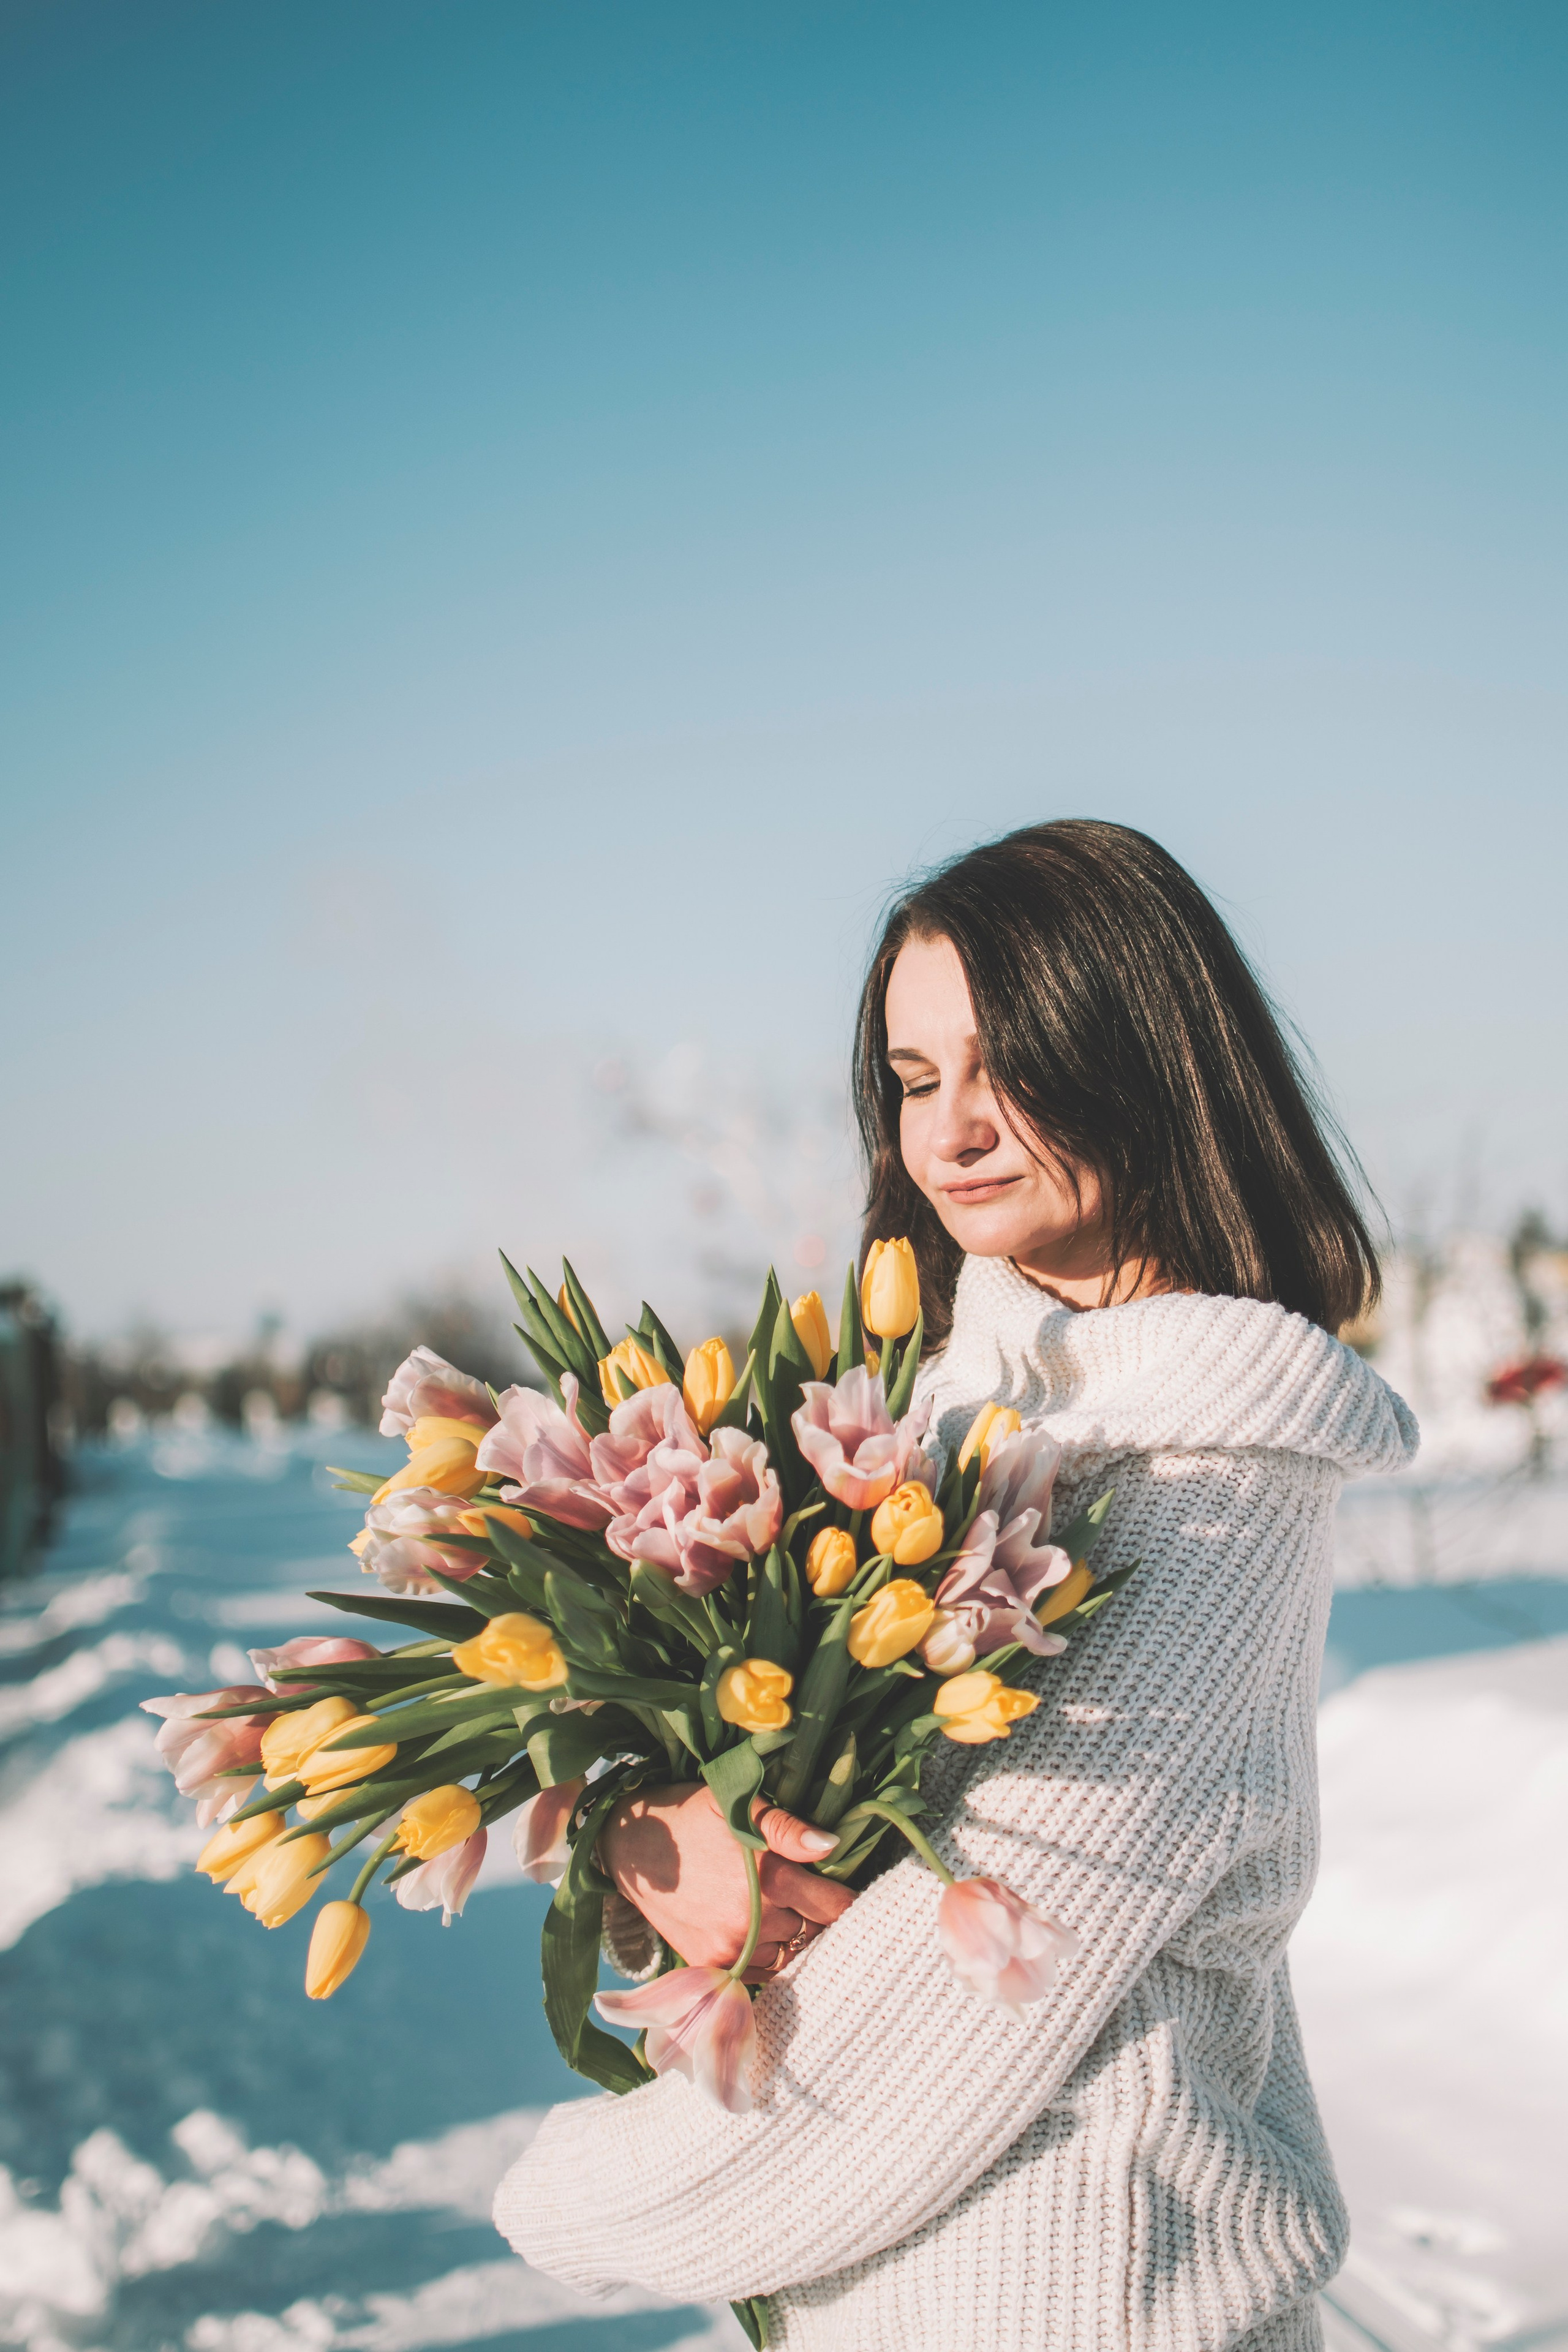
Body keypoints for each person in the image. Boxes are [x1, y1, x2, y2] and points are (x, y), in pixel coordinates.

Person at [494, 818, 1417, 2351]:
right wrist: (659, 1839)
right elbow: (815, 1847)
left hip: (1089, 2305)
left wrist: (584, 2196)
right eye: (916, 1081)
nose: (953, 1133)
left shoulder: (1208, 1477)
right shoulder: (918, 1418)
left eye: (1011, 1066)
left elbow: (964, 2004)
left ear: (1147, 1058)